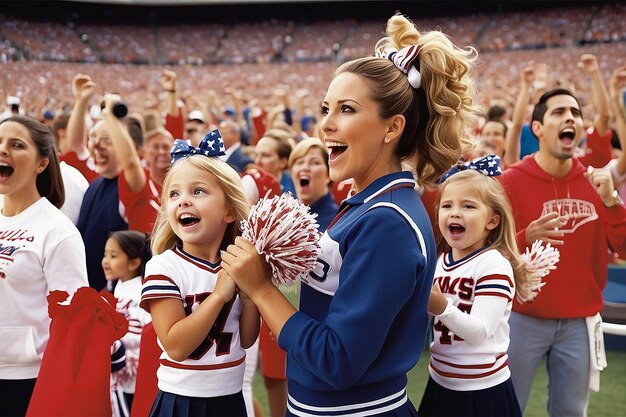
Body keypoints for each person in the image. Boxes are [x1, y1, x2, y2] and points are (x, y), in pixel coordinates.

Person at [221, 12, 476, 417]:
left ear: (392, 128)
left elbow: (337, 361)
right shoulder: (366, 203)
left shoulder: (388, 222)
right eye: (326, 109)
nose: (326, 125)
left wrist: (262, 290)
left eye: (346, 110)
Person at [498, 88, 626, 416]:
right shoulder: (511, 180)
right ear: (537, 128)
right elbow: (489, 250)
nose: (570, 117)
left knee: (571, 413)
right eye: (558, 112)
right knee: (506, 409)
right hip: (522, 318)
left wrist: (612, 202)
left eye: (575, 112)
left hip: (580, 323)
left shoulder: (596, 180)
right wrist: (528, 236)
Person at [139, 131, 260, 417]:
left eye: (198, 191)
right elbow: (176, 345)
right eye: (174, 193)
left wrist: (252, 295)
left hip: (229, 399)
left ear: (229, 211)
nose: (183, 201)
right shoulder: (163, 266)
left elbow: (246, 338)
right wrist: (219, 296)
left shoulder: (237, 261)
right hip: (181, 402)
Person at [419, 166, 533, 417]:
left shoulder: (494, 264)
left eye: (468, 206)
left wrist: (441, 307)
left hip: (482, 391)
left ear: (492, 220)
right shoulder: (440, 261)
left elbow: (479, 332)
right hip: (439, 381)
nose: (455, 213)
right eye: (447, 205)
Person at [0, 116, 88, 416]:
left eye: (16, 145)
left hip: (29, 381)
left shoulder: (58, 231)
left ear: (41, 163)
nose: (3, 150)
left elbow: (74, 323)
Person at [102, 230, 153, 417]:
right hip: (121, 366)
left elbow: (141, 334)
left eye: (113, 256)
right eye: (105, 254)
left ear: (134, 262)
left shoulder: (138, 293)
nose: (105, 261)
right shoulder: (119, 286)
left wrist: (108, 340)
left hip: (132, 372)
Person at [288, 137, 338, 231]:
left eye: (315, 162)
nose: (305, 168)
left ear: (328, 175)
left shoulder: (336, 223)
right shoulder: (284, 215)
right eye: (300, 162)